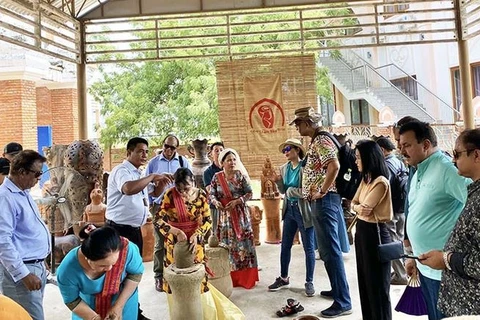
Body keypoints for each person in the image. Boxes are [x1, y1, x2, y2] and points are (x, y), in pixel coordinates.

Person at [399, 121, 470, 320]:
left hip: (445, 271)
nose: (402, 151)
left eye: (407, 145)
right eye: (400, 145)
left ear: (426, 145)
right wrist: (412, 255)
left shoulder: (446, 169)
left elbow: (474, 202)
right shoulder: (418, 169)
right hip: (425, 267)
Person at [292, 106, 352, 318]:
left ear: (308, 123)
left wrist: (322, 190)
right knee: (326, 251)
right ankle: (337, 290)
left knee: (331, 250)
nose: (297, 127)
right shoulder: (318, 140)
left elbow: (333, 166)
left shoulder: (322, 140)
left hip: (325, 200)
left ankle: (343, 301)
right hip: (323, 201)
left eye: (299, 123)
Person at [105, 137, 171, 320]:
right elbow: (127, 189)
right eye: (140, 151)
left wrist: (159, 186)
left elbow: (150, 193)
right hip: (119, 230)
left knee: (133, 272)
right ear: (129, 152)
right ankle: (119, 312)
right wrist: (151, 176)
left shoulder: (137, 173)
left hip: (134, 230)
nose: (144, 155)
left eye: (146, 151)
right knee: (118, 274)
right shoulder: (122, 171)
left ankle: (133, 311)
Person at [419, 128, 480, 317]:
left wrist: (446, 259)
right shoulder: (475, 192)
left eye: (457, 154)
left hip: (472, 306)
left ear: (476, 155)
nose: (454, 160)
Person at [0, 150, 50, 320]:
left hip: (35, 265)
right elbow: (2, 241)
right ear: (22, 172)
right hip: (22, 270)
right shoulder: (5, 197)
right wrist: (23, 274)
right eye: (37, 174)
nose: (39, 179)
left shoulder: (23, 193)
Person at [57, 225, 144, 320]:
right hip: (87, 310)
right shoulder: (67, 270)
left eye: (113, 264)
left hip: (123, 303)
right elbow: (72, 301)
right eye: (102, 265)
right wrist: (94, 318)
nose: (109, 269)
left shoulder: (127, 249)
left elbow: (136, 274)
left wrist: (118, 306)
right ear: (87, 258)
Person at [268, 138, 316, 297]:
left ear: (297, 150)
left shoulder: (306, 168)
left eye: (288, 149)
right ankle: (283, 277)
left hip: (303, 211)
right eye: (284, 150)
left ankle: (309, 281)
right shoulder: (283, 168)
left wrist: (290, 192)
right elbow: (282, 191)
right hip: (289, 210)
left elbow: (308, 191)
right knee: (285, 245)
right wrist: (278, 182)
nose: (286, 152)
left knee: (308, 248)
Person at [352, 140, 393, 320]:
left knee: (377, 286)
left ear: (369, 158)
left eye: (359, 158)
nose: (356, 161)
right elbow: (354, 204)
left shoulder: (380, 182)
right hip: (362, 231)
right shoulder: (365, 179)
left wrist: (358, 207)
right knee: (365, 282)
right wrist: (358, 207)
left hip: (375, 233)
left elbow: (366, 208)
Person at [145, 134, 191, 292]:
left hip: (179, 205)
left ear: (177, 148)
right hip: (158, 206)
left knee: (179, 239)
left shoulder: (183, 161)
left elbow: (190, 183)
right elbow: (146, 186)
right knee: (160, 242)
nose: (169, 150)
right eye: (167, 146)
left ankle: (177, 272)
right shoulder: (153, 163)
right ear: (162, 145)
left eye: (173, 147)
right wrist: (160, 181)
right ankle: (159, 276)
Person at [209, 148, 259, 289]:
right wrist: (216, 202)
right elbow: (212, 194)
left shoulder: (240, 176)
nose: (232, 162)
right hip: (224, 217)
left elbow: (249, 193)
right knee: (227, 245)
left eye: (234, 160)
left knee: (244, 245)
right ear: (222, 163)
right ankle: (229, 278)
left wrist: (237, 201)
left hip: (240, 216)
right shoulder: (216, 177)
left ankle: (246, 279)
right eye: (229, 160)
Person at [375, 137, 408, 285]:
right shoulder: (399, 162)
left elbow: (383, 189)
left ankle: (401, 275)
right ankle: (403, 270)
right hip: (402, 208)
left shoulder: (386, 166)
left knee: (393, 242)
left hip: (392, 210)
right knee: (400, 240)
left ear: (382, 150)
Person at [203, 141, 225, 234]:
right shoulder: (207, 172)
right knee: (216, 233)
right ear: (211, 154)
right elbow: (209, 190)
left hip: (230, 205)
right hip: (215, 206)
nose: (219, 152)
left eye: (221, 150)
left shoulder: (230, 168)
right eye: (216, 150)